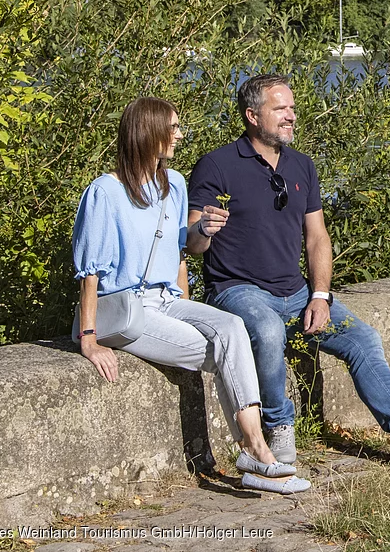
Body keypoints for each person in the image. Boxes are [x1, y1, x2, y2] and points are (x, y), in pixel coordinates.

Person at [186, 74, 390, 467]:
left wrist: (320, 295)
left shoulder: (301, 165)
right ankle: (279, 429)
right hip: (238, 291)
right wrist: (203, 228)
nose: (291, 116)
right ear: (253, 116)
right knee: (268, 332)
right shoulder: (217, 165)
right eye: (281, 109)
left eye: (292, 107)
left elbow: (317, 238)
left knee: (363, 339)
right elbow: (192, 242)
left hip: (296, 293)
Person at [71, 97, 309, 495]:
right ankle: (259, 454)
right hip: (126, 309)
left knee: (231, 327)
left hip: (166, 301)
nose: (180, 135)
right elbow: (89, 271)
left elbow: (184, 250)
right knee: (226, 350)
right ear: (148, 133)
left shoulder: (175, 184)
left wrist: (205, 238)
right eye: (174, 128)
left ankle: (254, 454)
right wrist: (89, 339)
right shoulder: (105, 192)